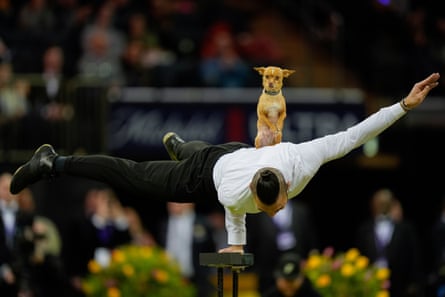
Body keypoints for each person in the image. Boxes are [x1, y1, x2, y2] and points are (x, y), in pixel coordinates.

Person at [8, 73, 440, 254]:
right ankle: (55, 161)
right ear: (258, 190)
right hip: (207, 175)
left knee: (208, 151)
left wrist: (404, 104)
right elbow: (235, 213)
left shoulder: (302, 157)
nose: (278, 211)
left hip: (235, 151)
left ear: (283, 187)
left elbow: (355, 134)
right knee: (132, 175)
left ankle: (183, 145)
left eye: (275, 207)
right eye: (268, 208)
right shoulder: (237, 191)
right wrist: (237, 243)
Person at [356, 188, 423, 297]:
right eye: (380, 202)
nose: (383, 204)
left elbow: (414, 257)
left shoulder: (405, 229)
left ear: (392, 203)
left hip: (399, 284)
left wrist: (414, 284)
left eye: (386, 201)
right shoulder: (365, 229)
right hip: (371, 283)